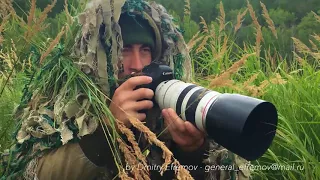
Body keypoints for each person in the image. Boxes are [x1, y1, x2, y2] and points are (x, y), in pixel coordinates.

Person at [0, 0, 251, 179]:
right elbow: (31, 172)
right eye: (123, 50)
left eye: (145, 50)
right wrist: (108, 133)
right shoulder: (66, 100)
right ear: (99, 56)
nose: (137, 65)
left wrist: (191, 153)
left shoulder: (167, 100)